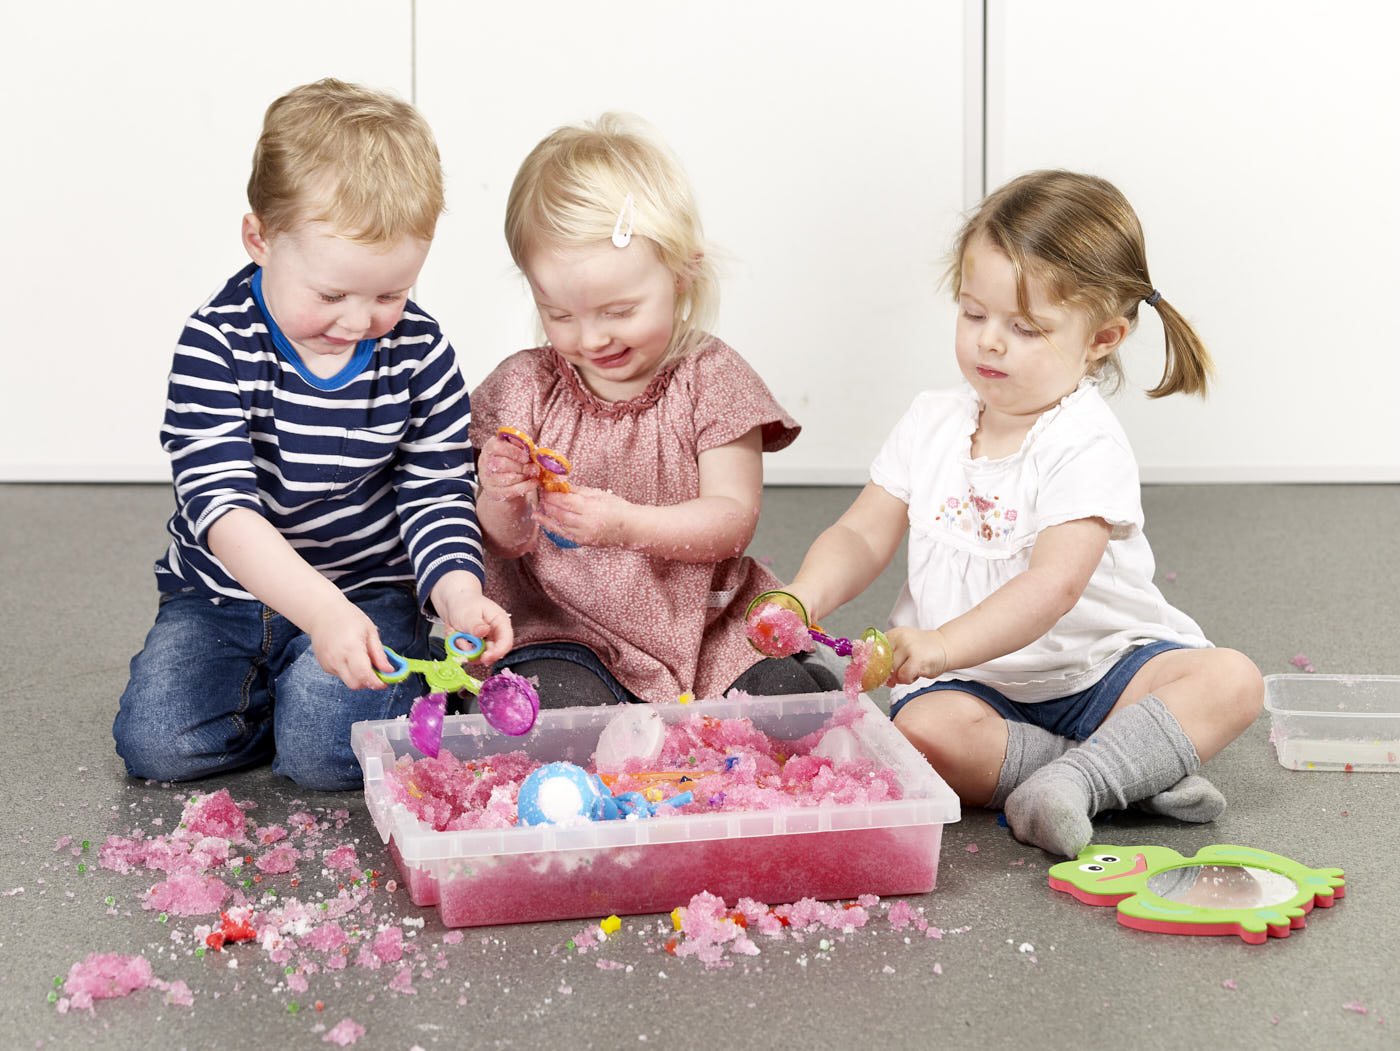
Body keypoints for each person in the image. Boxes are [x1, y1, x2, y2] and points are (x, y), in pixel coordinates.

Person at [782, 170, 1263, 856]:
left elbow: (1051, 587)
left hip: (1100, 672)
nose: (989, 343)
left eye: (1025, 327)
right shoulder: (931, 422)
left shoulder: (1084, 441)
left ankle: (1084, 775)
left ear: (1102, 339)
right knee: (923, 733)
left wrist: (940, 641)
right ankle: (1111, 772)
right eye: (973, 314)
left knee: (1231, 680)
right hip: (978, 690)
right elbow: (862, 530)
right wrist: (803, 594)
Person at [114, 79, 511, 791]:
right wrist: (316, 613)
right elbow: (224, 513)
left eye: (390, 295)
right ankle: (291, 686)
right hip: (226, 596)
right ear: (259, 239)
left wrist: (456, 594)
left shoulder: (419, 352)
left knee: (324, 759)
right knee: (157, 744)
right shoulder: (216, 344)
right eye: (330, 294)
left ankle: (339, 693)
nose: (359, 322)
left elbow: (437, 492)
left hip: (368, 592)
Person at [469, 113, 837, 707]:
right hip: (565, 626)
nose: (591, 339)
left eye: (618, 311)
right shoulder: (525, 386)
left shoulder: (711, 378)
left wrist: (627, 525)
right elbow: (502, 543)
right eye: (560, 314)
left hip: (704, 628)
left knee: (788, 704)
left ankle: (773, 680)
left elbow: (731, 519)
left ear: (682, 274)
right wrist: (502, 495)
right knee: (555, 712)